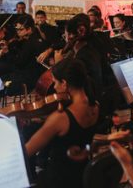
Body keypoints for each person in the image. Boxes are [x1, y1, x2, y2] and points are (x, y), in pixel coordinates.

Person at [25, 58, 101, 188]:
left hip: (58, 181)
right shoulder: (95, 107)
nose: (54, 87)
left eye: (55, 83)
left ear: (64, 83)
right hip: (82, 176)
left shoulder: (60, 118)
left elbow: (27, 151)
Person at [0, 15, 47, 95]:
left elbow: (18, 64)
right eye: (17, 29)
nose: (17, 32)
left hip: (28, 76)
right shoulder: (27, 39)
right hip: (23, 71)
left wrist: (7, 52)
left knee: (1, 80)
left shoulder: (31, 43)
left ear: (29, 29)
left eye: (20, 29)